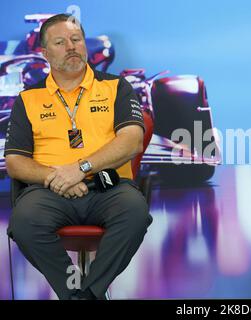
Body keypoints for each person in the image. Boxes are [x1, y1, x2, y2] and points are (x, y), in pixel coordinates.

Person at [5, 14, 153, 300]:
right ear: (45, 54)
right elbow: (15, 162)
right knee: (24, 221)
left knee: (135, 213)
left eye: (76, 40)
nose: (71, 47)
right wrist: (57, 177)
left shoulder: (116, 87)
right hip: (51, 190)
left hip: (109, 187)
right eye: (60, 42)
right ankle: (76, 295)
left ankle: (89, 294)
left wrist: (80, 168)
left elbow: (132, 140)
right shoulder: (28, 99)